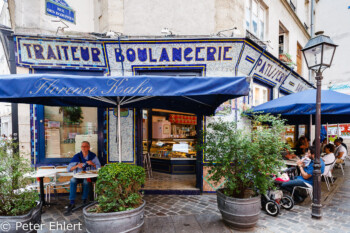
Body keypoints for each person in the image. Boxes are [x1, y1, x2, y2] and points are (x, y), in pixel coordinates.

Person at [65, 141, 101, 214]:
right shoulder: (77, 156)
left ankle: (84, 200)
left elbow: (99, 167)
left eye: (85, 146)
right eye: (82, 146)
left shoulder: (93, 156)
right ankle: (72, 202)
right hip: (78, 176)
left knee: (86, 181)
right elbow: (69, 169)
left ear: (88, 147)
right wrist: (77, 166)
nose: (83, 148)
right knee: (72, 180)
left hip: (89, 176)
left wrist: (92, 164)